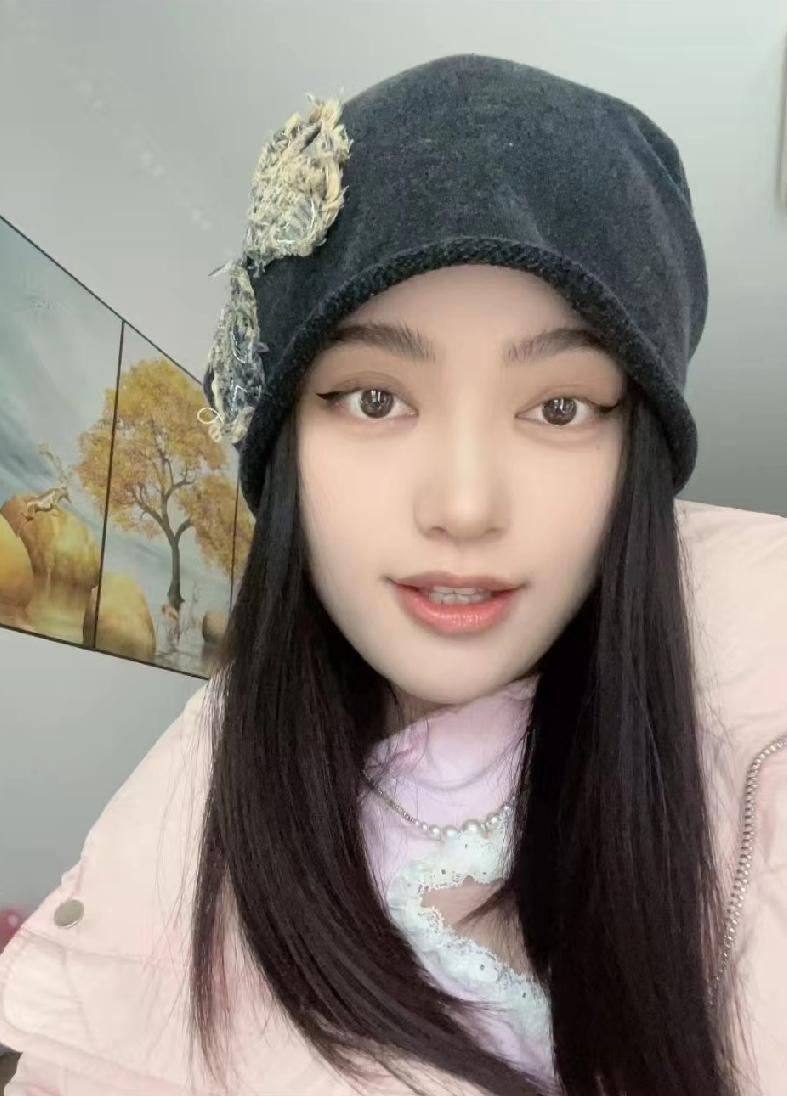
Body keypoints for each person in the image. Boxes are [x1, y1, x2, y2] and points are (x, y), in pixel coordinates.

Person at [1, 52, 786, 1096]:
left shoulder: (756, 742)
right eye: (375, 398)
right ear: (285, 446)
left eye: (558, 408)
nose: (462, 505)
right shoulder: (170, 839)